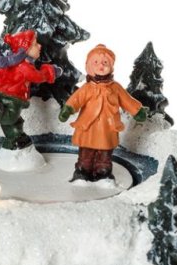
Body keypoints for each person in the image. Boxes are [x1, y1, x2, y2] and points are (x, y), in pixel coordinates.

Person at [59, 44, 147, 182]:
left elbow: (127, 100)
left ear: (111, 67)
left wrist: (137, 110)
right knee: (86, 151)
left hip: (107, 127)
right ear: (89, 66)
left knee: (105, 152)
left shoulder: (115, 88)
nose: (101, 65)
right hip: (89, 127)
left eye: (105, 62)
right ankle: (83, 170)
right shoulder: (87, 88)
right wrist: (68, 109)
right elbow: (76, 99)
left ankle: (103, 171)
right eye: (96, 62)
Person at [0, 30, 61, 150]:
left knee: (15, 122)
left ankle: (15, 137)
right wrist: (51, 71)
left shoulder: (18, 65)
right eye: (35, 44)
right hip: (12, 99)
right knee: (10, 118)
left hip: (4, 96)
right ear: (25, 49)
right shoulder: (25, 68)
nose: (39, 46)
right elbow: (39, 77)